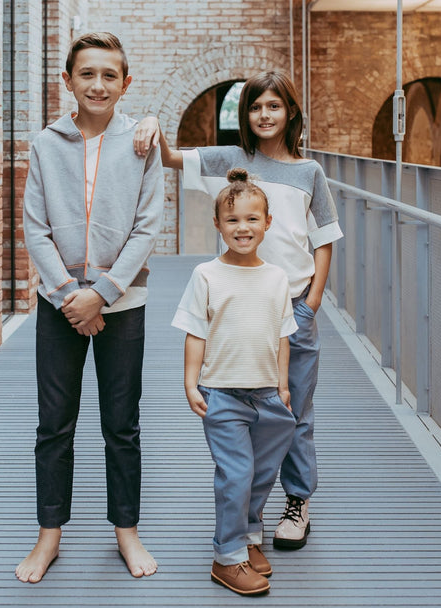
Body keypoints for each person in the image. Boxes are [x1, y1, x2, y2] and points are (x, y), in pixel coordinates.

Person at [136, 71, 342, 550]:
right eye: (255, 107)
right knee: (246, 410)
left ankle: (297, 502)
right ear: (244, 115)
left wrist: (310, 303)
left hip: (292, 308)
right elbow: (168, 158)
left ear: (290, 112)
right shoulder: (230, 161)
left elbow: (325, 241)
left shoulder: (310, 171)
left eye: (274, 106)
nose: (265, 115)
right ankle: (248, 511)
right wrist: (151, 119)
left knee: (294, 411)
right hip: (239, 310)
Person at [16, 31, 163, 584]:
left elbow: (148, 227)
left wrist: (100, 294)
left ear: (125, 84)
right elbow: (36, 228)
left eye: (108, 76)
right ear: (68, 81)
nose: (97, 85)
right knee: (55, 424)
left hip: (123, 302)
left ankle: (126, 530)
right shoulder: (45, 144)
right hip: (58, 303)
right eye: (86, 75)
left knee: (121, 424)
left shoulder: (140, 143)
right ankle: (49, 534)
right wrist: (68, 296)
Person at [172, 168, 298, 596]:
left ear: (267, 223)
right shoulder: (206, 275)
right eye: (232, 220)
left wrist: (282, 385)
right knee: (236, 473)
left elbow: (283, 335)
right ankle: (227, 558)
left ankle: (248, 536)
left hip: (268, 394)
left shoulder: (277, 277)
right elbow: (195, 332)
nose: (242, 228)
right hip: (222, 392)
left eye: (251, 219)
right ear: (218, 225)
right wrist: (191, 383)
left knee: (262, 473)